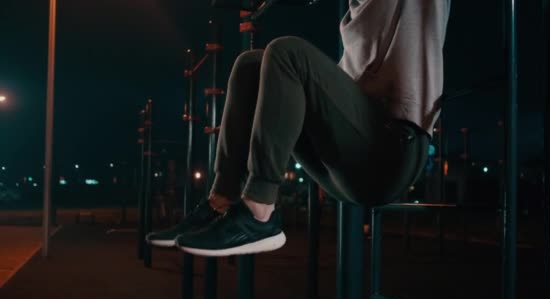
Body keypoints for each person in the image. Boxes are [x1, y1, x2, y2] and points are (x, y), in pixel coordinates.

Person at [146, 0, 451, 257]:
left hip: (392, 150)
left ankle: (259, 212)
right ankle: (220, 202)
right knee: (250, 65)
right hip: (349, 153)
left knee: (287, 52)